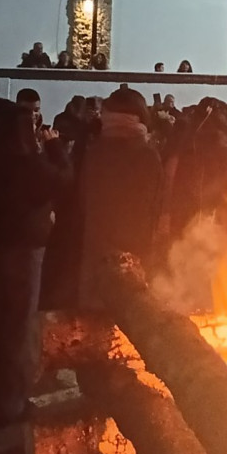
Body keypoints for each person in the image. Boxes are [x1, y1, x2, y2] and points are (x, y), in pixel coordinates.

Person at [0, 99, 70, 426]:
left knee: (2, 322)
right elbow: (62, 179)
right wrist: (55, 146)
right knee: (17, 325)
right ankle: (9, 404)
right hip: (23, 249)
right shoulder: (24, 162)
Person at [78, 87, 163, 308]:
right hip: (136, 245)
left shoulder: (94, 150)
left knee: (95, 315)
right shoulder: (146, 154)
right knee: (135, 308)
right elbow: (155, 203)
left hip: (96, 242)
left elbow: (81, 195)